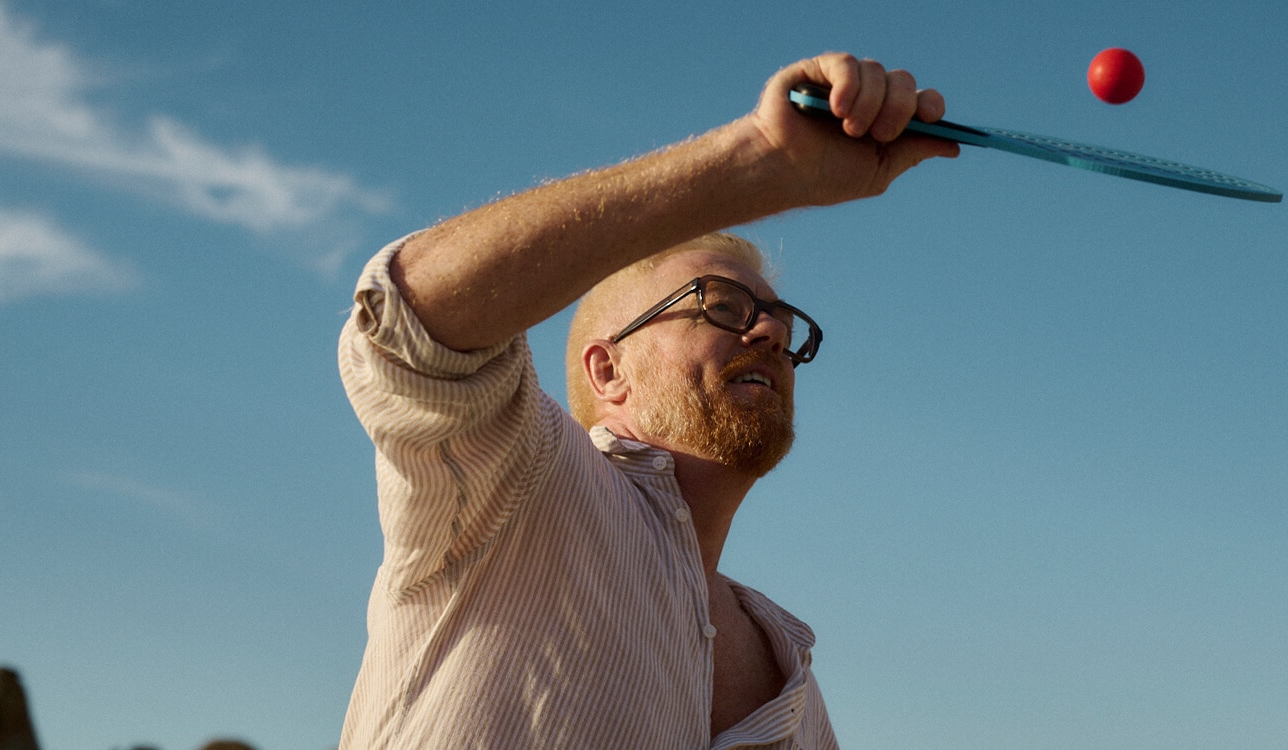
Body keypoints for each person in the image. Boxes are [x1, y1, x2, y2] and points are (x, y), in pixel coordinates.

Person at [336, 52, 959, 749]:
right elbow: (405, 322)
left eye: (781, 321)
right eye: (721, 306)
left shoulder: (795, 684)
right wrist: (761, 161)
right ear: (607, 371)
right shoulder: (518, 485)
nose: (770, 332)